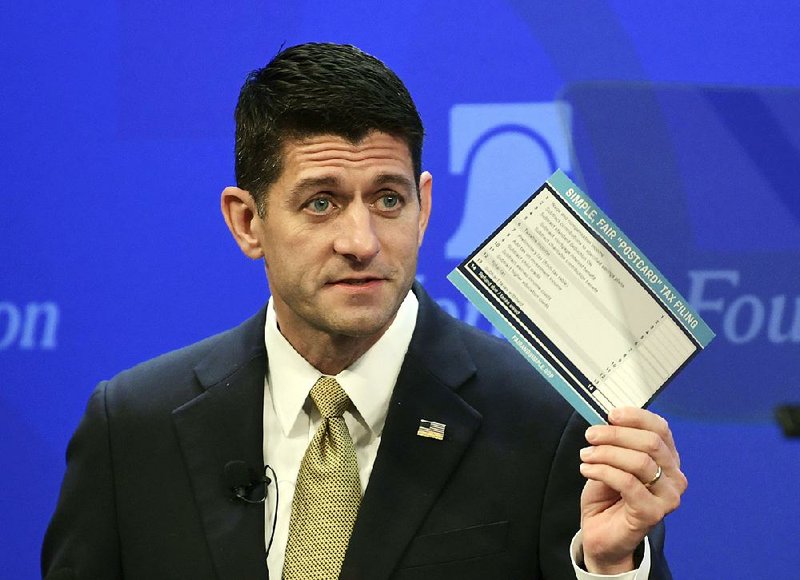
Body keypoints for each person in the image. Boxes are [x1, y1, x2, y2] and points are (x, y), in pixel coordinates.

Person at [42, 42, 685, 579]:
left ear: (424, 206)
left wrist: (610, 568)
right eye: (321, 202)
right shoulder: (131, 427)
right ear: (247, 221)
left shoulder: (549, 425)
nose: (362, 242)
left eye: (387, 199)